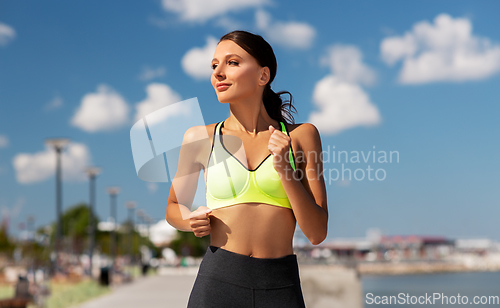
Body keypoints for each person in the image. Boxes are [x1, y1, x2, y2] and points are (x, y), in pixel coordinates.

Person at [166, 30, 328, 308]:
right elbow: (173, 207)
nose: (218, 72)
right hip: (217, 282)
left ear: (263, 76)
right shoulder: (199, 138)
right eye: (214, 65)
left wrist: (285, 171)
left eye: (232, 62)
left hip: (280, 286)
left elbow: (316, 232)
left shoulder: (302, 136)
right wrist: (189, 221)